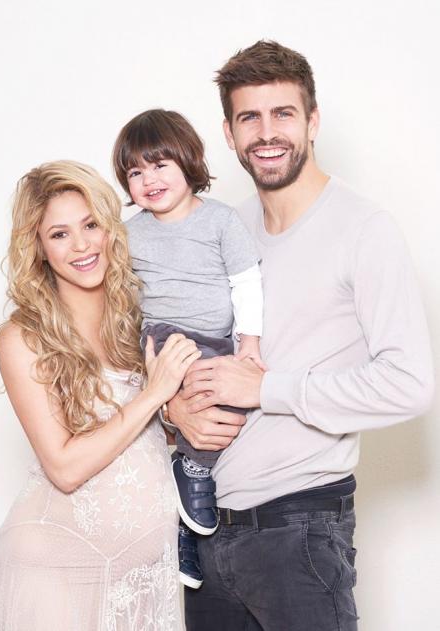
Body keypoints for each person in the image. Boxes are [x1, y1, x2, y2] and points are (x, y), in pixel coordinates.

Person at [166, 40, 435, 631]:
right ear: (229, 133)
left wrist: (268, 389)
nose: (267, 133)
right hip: (205, 534)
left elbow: (411, 384)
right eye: (249, 117)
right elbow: (184, 349)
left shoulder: (365, 230)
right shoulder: (222, 229)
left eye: (282, 113)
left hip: (299, 530)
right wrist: (174, 412)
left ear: (312, 121)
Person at [0, 160, 201, 631]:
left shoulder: (139, 322)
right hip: (56, 572)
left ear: (110, 229)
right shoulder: (23, 338)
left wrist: (175, 412)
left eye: (90, 225)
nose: (81, 245)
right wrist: (153, 394)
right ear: (38, 248)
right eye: (59, 234)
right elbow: (64, 467)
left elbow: (153, 441)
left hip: (143, 579)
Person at [112, 109, 265, 588]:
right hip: (164, 336)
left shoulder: (220, 220)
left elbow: (245, 281)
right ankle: (193, 473)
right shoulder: (130, 233)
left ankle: (183, 513)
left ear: (188, 160)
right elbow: (118, 294)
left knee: (230, 411)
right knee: (193, 397)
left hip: (217, 341)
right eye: (135, 173)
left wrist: (249, 342)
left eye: (160, 165)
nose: (149, 180)